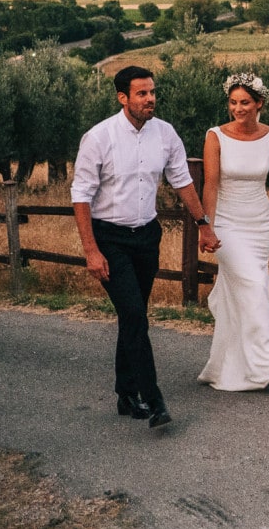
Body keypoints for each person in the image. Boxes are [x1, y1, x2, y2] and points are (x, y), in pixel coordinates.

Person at [72, 65, 220, 428]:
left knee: (132, 315)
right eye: (141, 93)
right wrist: (91, 251)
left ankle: (125, 394)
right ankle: (153, 400)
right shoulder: (99, 137)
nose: (150, 99)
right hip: (110, 239)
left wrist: (203, 224)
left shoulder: (165, 134)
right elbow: (81, 196)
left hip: (146, 237)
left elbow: (182, 181)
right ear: (123, 97)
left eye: (152, 92)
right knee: (136, 316)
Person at [198, 71, 269, 391]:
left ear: (259, 103)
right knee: (250, 284)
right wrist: (205, 226)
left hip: (260, 225)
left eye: (245, 102)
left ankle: (228, 365)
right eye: (233, 102)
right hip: (226, 224)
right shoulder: (215, 136)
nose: (238, 108)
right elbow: (210, 185)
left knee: (254, 290)